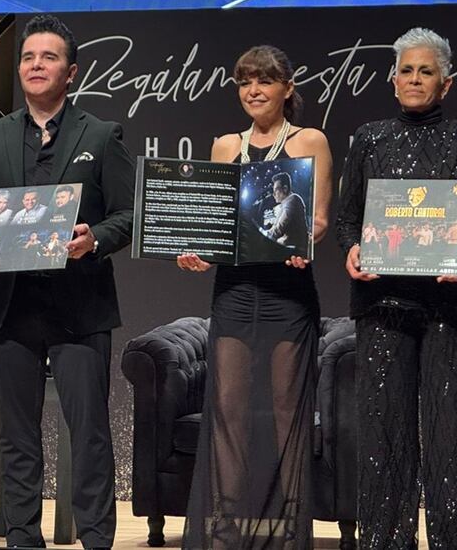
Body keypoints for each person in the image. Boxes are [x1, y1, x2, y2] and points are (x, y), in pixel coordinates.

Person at [0, 14, 134, 550]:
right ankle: (22, 537)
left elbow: (127, 214)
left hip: (80, 307)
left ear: (70, 72)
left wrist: (93, 237)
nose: (36, 65)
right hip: (11, 307)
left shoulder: (100, 135)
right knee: (18, 436)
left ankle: (97, 537)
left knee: (90, 433)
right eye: (29, 57)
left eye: (48, 57)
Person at [336, 27, 457, 549]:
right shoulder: (369, 138)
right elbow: (347, 219)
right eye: (406, 70)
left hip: (449, 307)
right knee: (383, 439)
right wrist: (353, 250)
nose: (414, 79)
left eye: (425, 70)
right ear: (392, 80)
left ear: (446, 83)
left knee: (452, 439)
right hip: (383, 307)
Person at [175, 45, 332, 549]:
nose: (254, 90)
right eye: (245, 82)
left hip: (288, 293)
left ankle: (288, 531)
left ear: (287, 88)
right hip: (236, 293)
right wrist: (198, 251)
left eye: (264, 80)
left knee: (289, 410)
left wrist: (308, 241)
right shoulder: (225, 146)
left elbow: (321, 217)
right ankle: (223, 530)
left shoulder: (311, 140)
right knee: (229, 409)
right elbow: (217, 226)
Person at [259, 171, 309, 248]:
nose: (274, 194)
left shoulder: (292, 200)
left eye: (276, 190)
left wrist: (262, 235)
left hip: (295, 249)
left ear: (285, 188)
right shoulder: (286, 203)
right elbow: (275, 226)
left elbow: (279, 228)